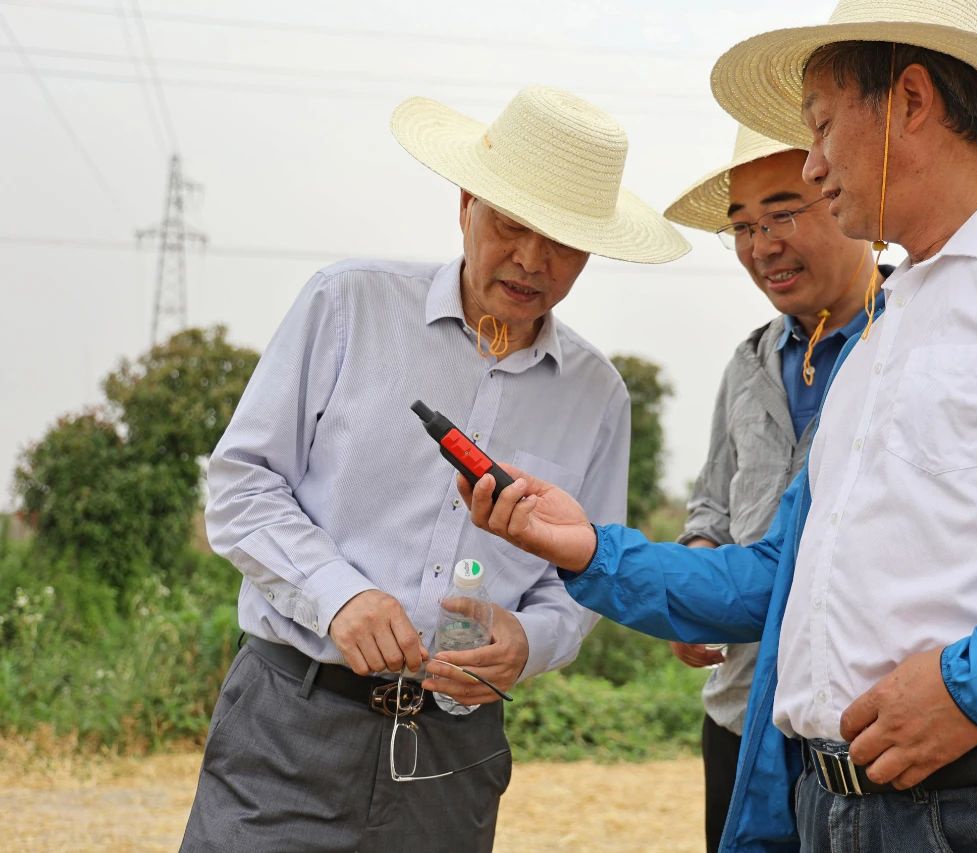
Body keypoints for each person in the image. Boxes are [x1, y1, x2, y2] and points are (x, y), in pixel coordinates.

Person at [460, 3, 977, 851]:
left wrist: (973, 687)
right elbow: (779, 576)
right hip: (828, 806)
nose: (813, 164)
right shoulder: (883, 329)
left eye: (820, 126)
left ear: (911, 101)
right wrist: (591, 551)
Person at [180, 86, 688, 853]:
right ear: (466, 205)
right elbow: (242, 484)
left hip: (455, 752)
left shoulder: (598, 396)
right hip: (290, 724)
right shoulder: (348, 305)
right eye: (511, 224)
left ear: (591, 252)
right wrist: (339, 594)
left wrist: (528, 641)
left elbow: (580, 579)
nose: (532, 259)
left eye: (562, 241)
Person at [663, 124, 888, 853]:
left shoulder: (913, 339)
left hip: (867, 728)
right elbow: (714, 505)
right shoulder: (749, 361)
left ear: (845, 193)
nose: (762, 246)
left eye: (783, 213)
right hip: (740, 712)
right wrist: (696, 570)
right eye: (743, 226)